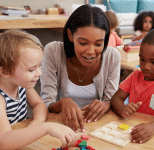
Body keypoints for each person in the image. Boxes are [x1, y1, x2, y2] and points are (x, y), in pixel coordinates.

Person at [0, 29, 76, 149]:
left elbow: (39, 104)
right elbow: (4, 141)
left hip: (18, 139)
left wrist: (37, 122)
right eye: (31, 69)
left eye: (39, 66)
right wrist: (46, 127)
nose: (39, 73)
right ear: (5, 72)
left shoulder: (19, 82)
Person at [40, 4, 121, 133]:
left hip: (97, 127)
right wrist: (63, 103)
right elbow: (46, 103)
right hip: (61, 126)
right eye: (83, 43)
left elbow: (110, 99)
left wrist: (107, 104)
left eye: (99, 44)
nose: (90, 51)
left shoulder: (112, 56)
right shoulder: (53, 51)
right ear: (70, 35)